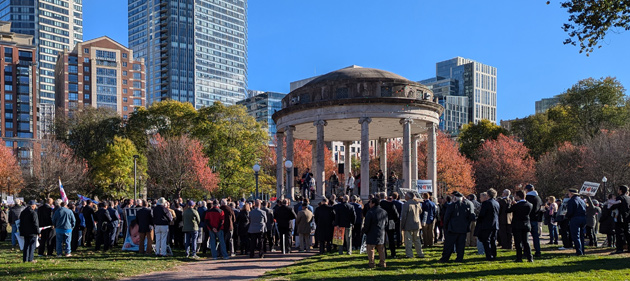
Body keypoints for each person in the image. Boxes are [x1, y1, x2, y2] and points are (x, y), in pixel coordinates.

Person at [439, 191, 475, 263]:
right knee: (461, 245)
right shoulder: (466, 206)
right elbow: (471, 217)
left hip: (452, 228)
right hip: (463, 229)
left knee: (448, 245)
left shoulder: (451, 206)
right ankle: (459, 258)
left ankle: (445, 258)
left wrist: (446, 227)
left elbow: (447, 217)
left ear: (455, 198)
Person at [508, 190, 534, 262]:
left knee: (518, 242)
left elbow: (508, 210)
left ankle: (519, 258)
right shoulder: (530, 205)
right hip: (526, 224)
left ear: (518, 197)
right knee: (526, 242)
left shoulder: (516, 206)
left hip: (517, 225)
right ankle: (530, 257)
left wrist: (510, 204)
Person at [363, 198, 389, 268]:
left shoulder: (370, 212)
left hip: (371, 232)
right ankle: (382, 263)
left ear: (373, 203)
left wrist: (365, 231)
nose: (369, 204)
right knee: (381, 249)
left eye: (370, 202)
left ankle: (371, 263)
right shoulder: (384, 212)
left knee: (371, 249)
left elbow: (367, 224)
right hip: (381, 232)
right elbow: (386, 223)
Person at [476, 189, 500, 261]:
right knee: (493, 240)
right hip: (495, 224)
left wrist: (479, 220)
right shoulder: (497, 203)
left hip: (487, 224)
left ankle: (489, 255)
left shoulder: (486, 203)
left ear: (488, 195)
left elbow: (482, 214)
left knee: (486, 240)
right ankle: (494, 254)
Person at [401, 192, 424, 258]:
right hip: (417, 224)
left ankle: (409, 254)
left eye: (405, 195)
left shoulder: (406, 204)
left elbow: (404, 216)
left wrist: (402, 225)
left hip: (408, 224)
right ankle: (420, 253)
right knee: (417, 240)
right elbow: (420, 212)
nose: (404, 196)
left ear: (408, 196)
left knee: (408, 240)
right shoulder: (417, 204)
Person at [566, 188, 587, 255]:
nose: (568, 194)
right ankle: (582, 250)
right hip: (583, 218)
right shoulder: (581, 200)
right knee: (581, 236)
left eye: (569, 193)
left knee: (575, 235)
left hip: (575, 218)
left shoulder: (571, 201)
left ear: (572, 194)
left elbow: (570, 212)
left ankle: (579, 251)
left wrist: (566, 216)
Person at [610, 185, 630, 255]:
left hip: (620, 218)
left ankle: (620, 249)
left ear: (620, 190)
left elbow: (614, 206)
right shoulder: (628, 198)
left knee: (619, 234)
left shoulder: (620, 198)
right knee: (627, 233)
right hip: (627, 218)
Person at [525, 184, 543, 257]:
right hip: (535, 218)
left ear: (526, 190)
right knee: (535, 236)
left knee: (525, 237)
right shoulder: (538, 197)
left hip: (528, 219)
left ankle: (526, 251)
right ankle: (538, 251)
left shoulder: (527, 197)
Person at [379, 192, 399, 258]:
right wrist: (394, 221)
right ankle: (393, 253)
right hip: (391, 222)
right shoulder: (391, 204)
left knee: (382, 239)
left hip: (381, 222)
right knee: (391, 238)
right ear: (386, 197)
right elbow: (396, 215)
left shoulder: (379, 205)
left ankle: (383, 253)